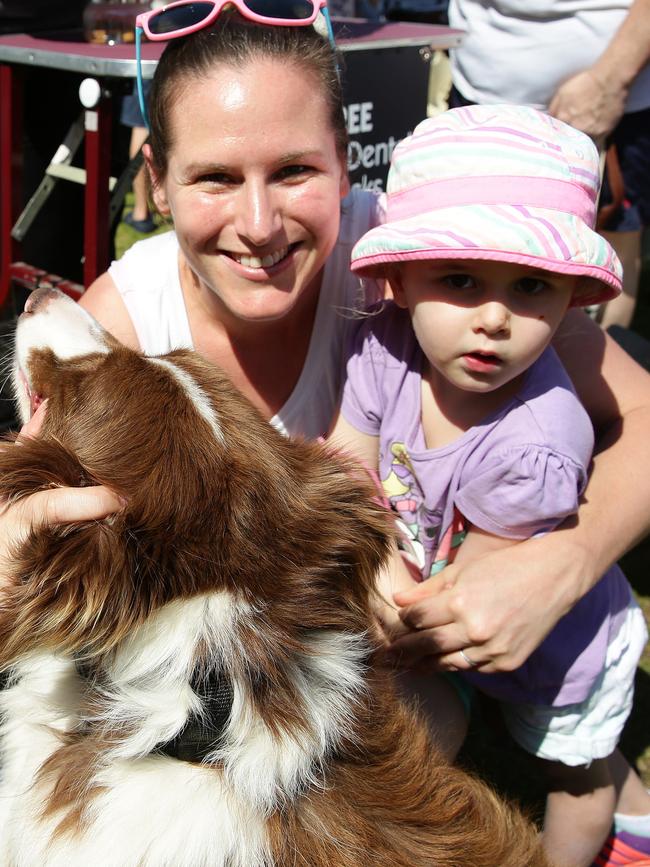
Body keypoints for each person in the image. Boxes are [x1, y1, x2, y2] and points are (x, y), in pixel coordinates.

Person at [2, 0, 650, 831]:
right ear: (156, 181)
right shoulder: (125, 326)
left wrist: (560, 564)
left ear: (348, 167)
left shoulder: (427, 258)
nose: (260, 224)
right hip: (313, 674)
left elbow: (639, 404)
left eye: (296, 171)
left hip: (457, 637)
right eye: (215, 178)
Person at [330, 104, 650, 867]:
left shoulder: (541, 438)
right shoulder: (381, 349)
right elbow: (348, 457)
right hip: (442, 603)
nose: (496, 318)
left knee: (570, 769)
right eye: (461, 278)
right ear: (400, 281)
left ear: (571, 297)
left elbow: (488, 585)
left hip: (556, 645)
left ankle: (596, 837)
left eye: (532, 285)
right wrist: (373, 556)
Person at [446, 0, 650, 331]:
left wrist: (609, 82)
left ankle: (589, 375)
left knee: (606, 246)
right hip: (479, 88)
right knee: (477, 244)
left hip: (616, 101)